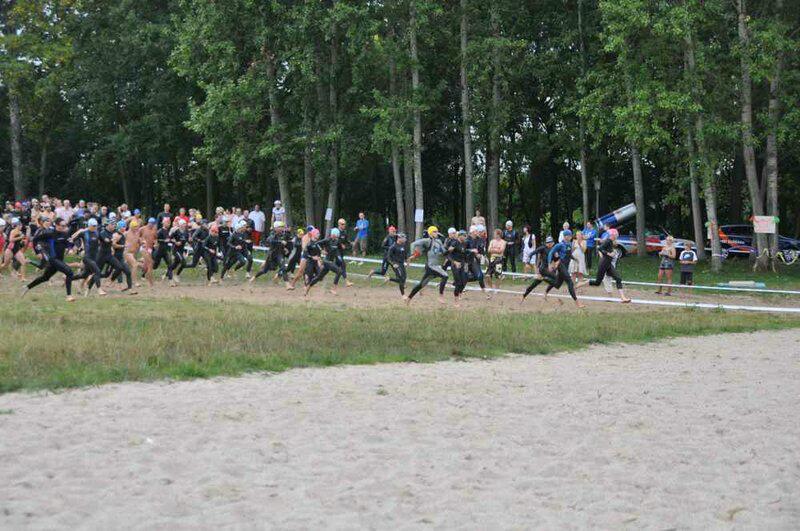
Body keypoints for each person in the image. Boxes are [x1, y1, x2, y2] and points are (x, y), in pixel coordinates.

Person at [23, 217, 76, 302]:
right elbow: (35, 240)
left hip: (60, 260)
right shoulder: (50, 234)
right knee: (69, 272)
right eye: (62, 225)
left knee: (45, 277)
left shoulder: (65, 234)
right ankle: (69, 296)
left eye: (65, 225)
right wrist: (37, 252)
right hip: (53, 259)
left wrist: (70, 248)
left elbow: (69, 244)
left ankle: (27, 287)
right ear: (57, 225)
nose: (64, 227)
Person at [406, 226, 449, 305]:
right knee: (445, 276)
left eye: (437, 231)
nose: (436, 233)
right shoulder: (427, 241)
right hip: (431, 266)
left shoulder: (439, 242)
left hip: (436, 266)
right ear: (430, 233)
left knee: (421, 285)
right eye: (434, 232)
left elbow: (444, 252)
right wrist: (413, 254)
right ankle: (440, 296)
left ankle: (408, 299)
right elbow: (413, 244)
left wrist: (451, 250)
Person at [588, 228, 631, 303]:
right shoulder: (608, 241)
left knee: (618, 278)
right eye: (616, 235)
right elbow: (600, 249)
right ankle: (582, 283)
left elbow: (607, 252)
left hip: (609, 265)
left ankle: (622, 297)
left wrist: (610, 254)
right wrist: (608, 254)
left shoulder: (611, 245)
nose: (617, 238)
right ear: (613, 235)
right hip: (604, 264)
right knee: (598, 282)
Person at [304, 228, 344, 296]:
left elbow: (338, 250)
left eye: (338, 235)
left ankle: (307, 289)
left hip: (330, 261)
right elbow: (317, 244)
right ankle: (333, 289)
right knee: (339, 271)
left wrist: (339, 256)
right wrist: (321, 250)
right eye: (336, 235)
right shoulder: (327, 240)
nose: (337, 236)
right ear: (333, 234)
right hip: (326, 261)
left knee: (319, 277)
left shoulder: (337, 241)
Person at [521, 235, 557, 302]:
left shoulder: (554, 250)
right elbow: (532, 253)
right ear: (546, 243)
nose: (549, 244)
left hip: (548, 269)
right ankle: (543, 279)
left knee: (535, 284)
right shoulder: (543, 248)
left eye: (550, 242)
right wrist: (528, 262)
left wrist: (554, 266)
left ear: (553, 243)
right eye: (548, 243)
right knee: (555, 278)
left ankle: (524, 295)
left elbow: (555, 260)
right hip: (543, 269)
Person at [386, 232, 408, 298]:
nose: (405, 239)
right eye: (403, 238)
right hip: (396, 264)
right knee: (401, 278)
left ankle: (389, 279)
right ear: (399, 238)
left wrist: (406, 261)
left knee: (404, 278)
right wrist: (393, 264)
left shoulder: (403, 245)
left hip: (401, 264)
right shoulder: (393, 247)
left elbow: (405, 255)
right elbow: (388, 257)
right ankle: (403, 295)